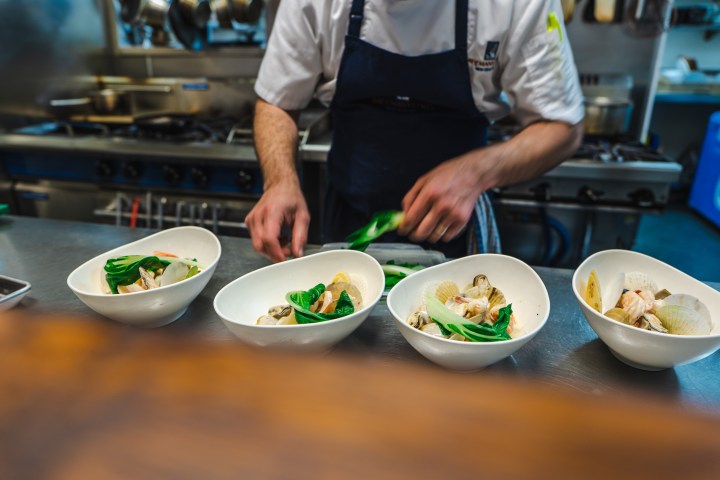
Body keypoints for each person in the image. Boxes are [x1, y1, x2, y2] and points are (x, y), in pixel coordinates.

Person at [246, 0, 584, 262]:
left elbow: (561, 127)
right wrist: (280, 182)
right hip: (348, 215)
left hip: (456, 226)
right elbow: (277, 101)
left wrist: (475, 172)